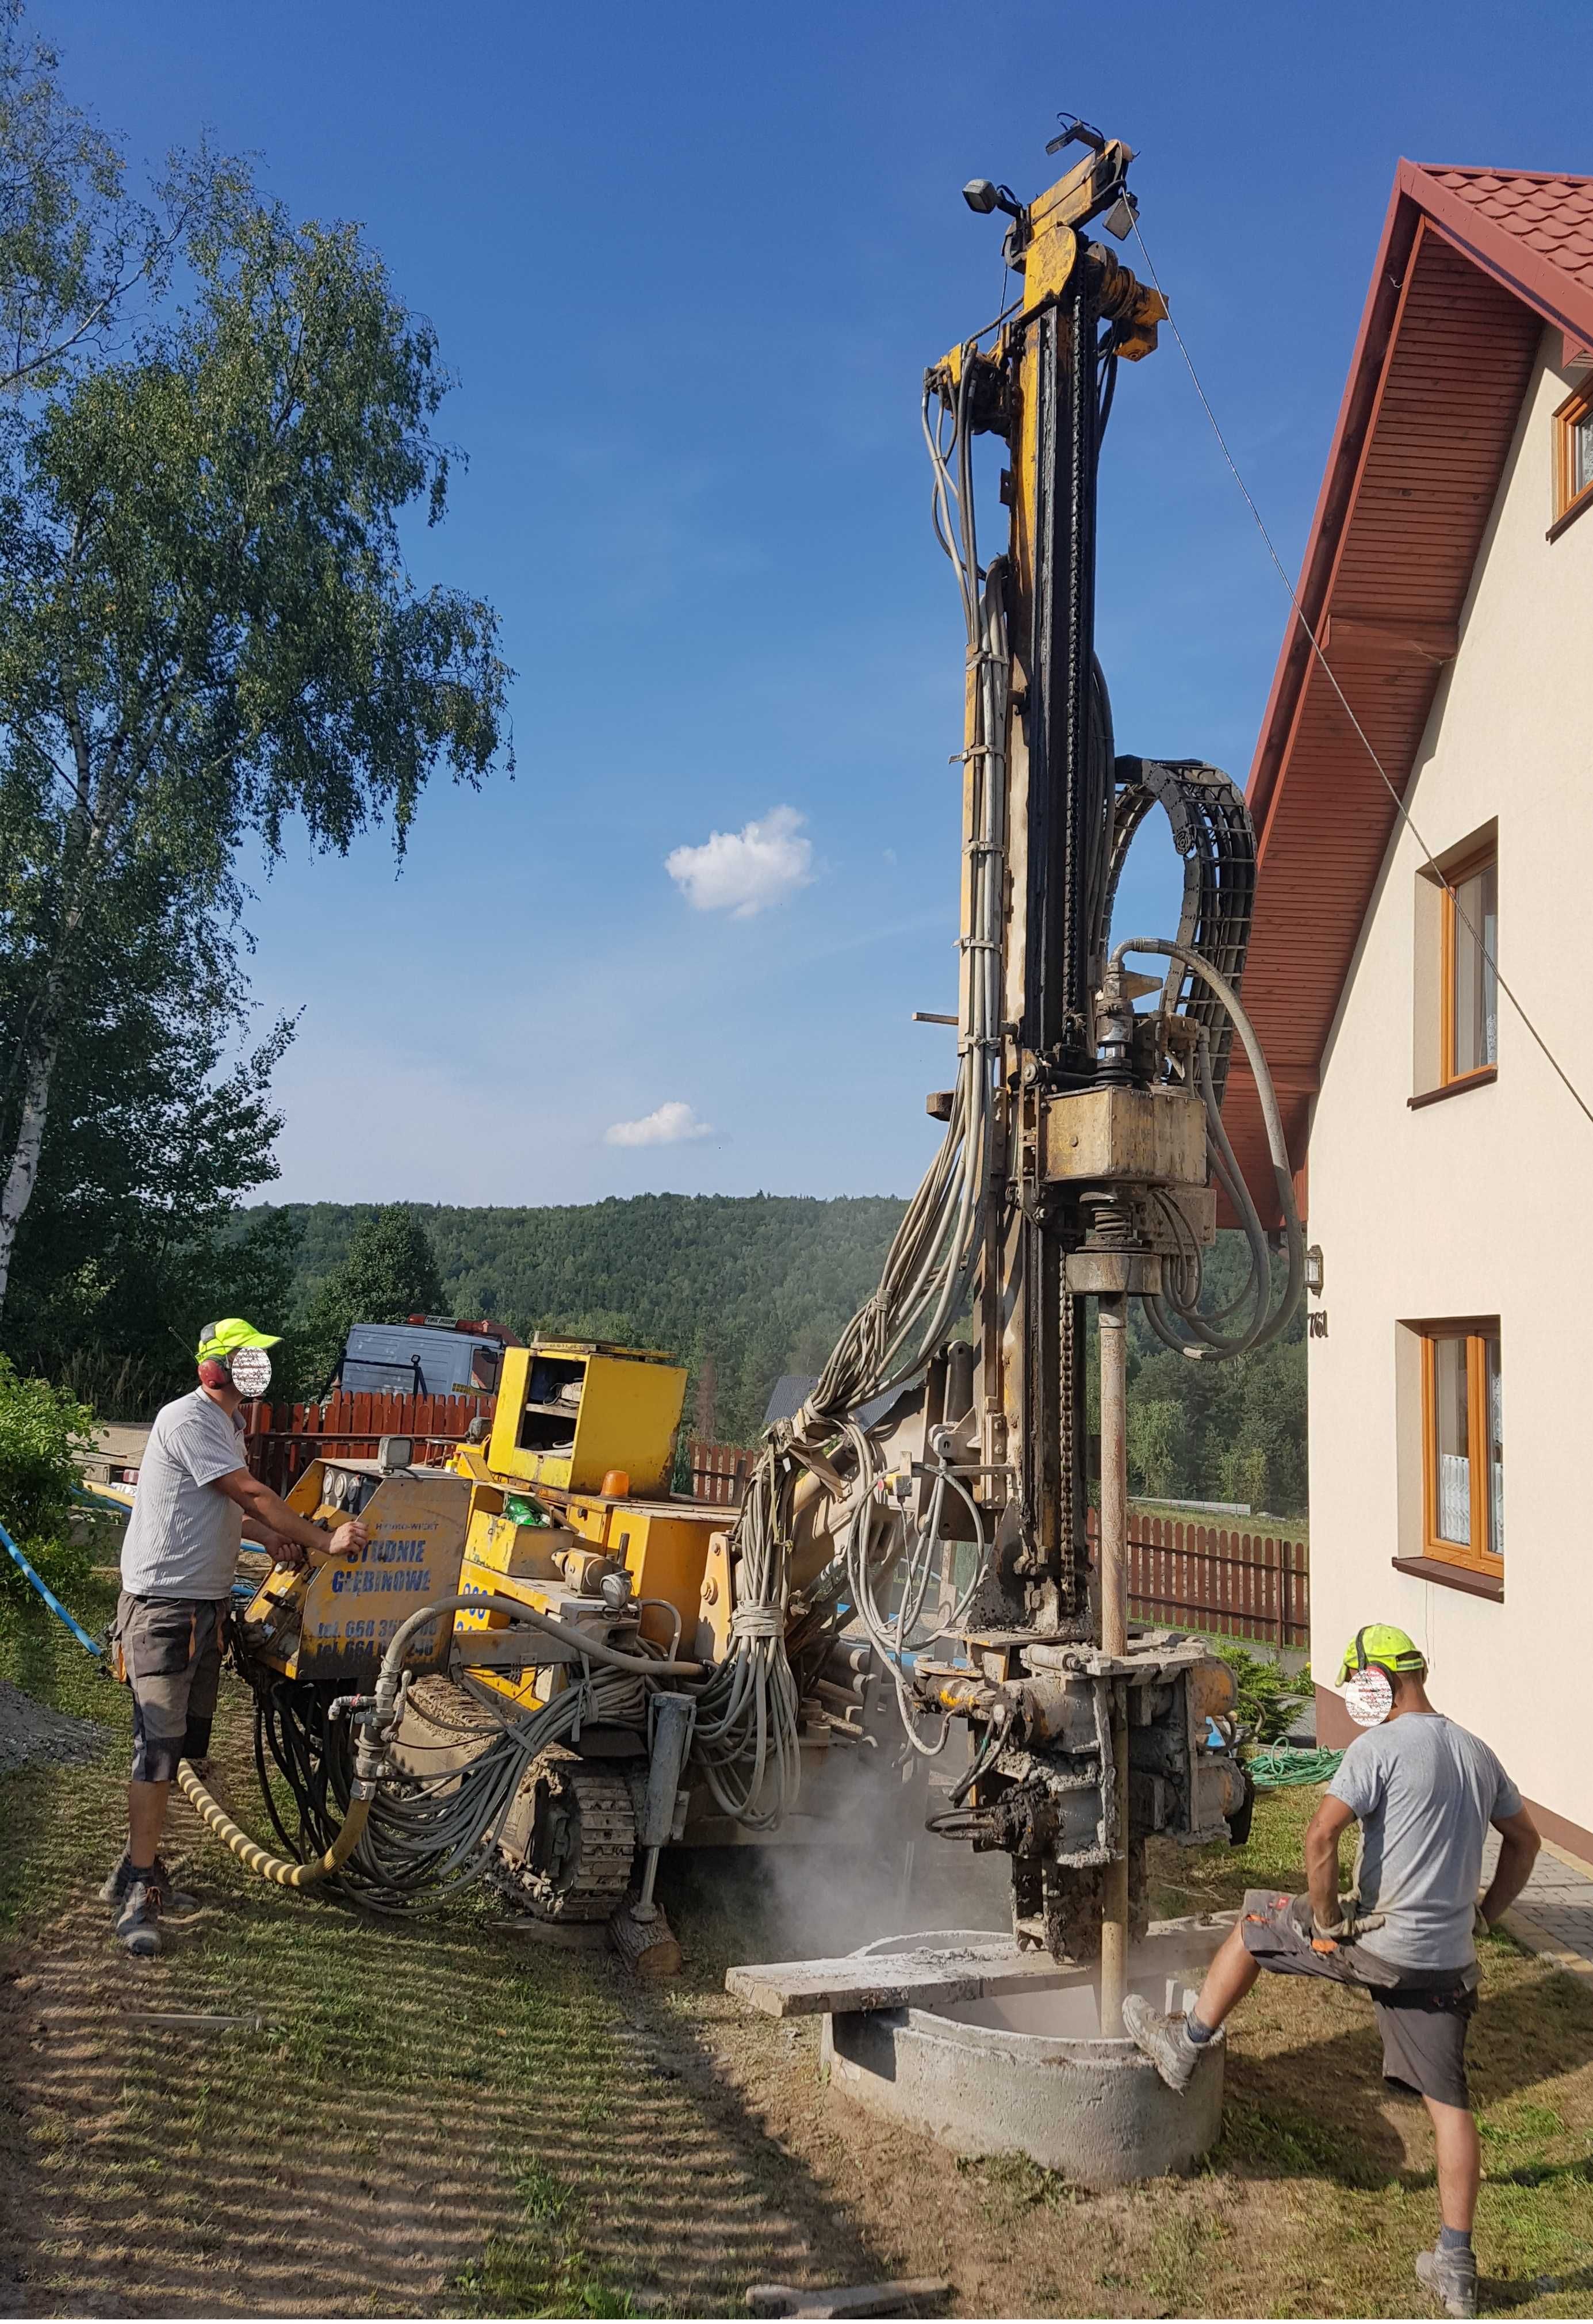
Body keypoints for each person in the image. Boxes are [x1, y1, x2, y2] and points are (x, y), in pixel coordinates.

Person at [1124, 1624, 1541, 2321]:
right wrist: (1486, 1914)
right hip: (1445, 1962)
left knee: (1256, 1921)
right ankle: (1457, 2268)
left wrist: (1322, 1923)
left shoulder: (1375, 1749)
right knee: (1450, 2107)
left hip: (1378, 1944)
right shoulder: (1476, 1751)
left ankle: (1184, 2044)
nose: (1355, 1699)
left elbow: (1320, 1833)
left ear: (1379, 1675)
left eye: (1358, 1684)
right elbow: (1524, 1840)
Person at [105, 1318, 367, 1958]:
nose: (257, 1369)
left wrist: (268, 1536)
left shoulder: (227, 1426)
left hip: (203, 1607)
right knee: (157, 1749)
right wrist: (320, 1538)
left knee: (181, 1747)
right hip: (166, 1607)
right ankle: (139, 1887)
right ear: (217, 1367)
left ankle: (135, 1866)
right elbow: (248, 1489)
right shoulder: (190, 1418)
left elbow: (225, 1508)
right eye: (248, 1359)